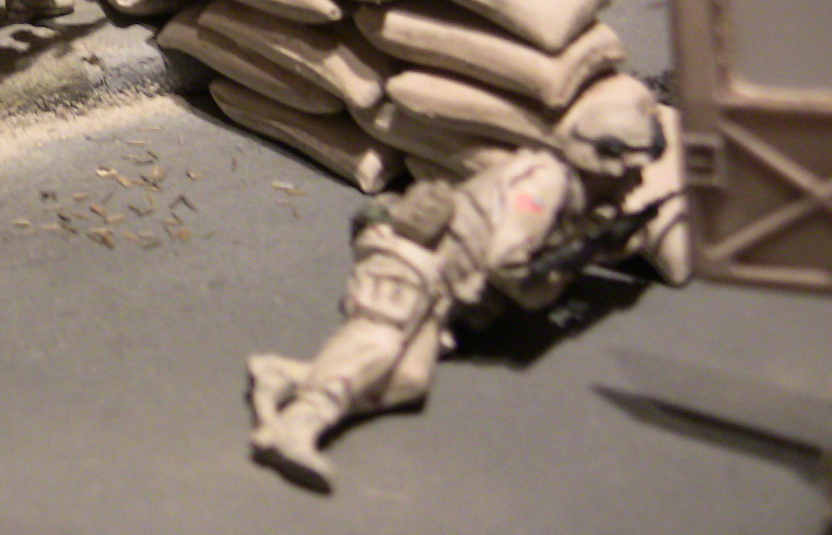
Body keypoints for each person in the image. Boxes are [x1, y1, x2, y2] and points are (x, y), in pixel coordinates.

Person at [247, 81, 671, 492]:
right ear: (606, 164)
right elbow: (506, 264)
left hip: (441, 283)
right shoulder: (544, 185)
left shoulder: (571, 197)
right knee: (379, 342)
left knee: (409, 379)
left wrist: (596, 246)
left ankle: (285, 376)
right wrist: (562, 271)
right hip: (413, 257)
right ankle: (298, 425)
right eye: (633, 172)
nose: (635, 184)